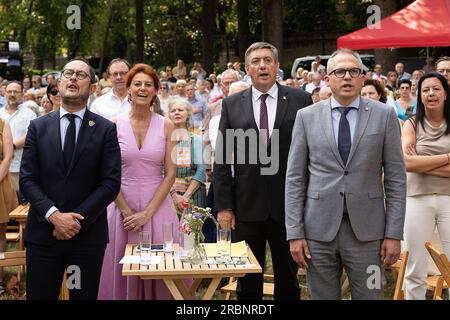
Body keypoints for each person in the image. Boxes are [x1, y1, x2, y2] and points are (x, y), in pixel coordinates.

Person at [285, 48, 406, 300]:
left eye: (354, 71)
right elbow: (295, 179)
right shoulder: (306, 117)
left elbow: (395, 179)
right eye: (340, 71)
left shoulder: (384, 116)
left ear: (363, 78)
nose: (347, 77)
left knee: (371, 295)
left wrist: (393, 234)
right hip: (318, 232)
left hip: (369, 234)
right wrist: (295, 232)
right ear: (328, 79)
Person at [214, 42, 313, 300]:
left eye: (268, 60)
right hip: (247, 207)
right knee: (247, 284)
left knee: (288, 282)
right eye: (256, 61)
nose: (262, 65)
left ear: (277, 66)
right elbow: (223, 158)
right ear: (247, 69)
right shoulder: (232, 104)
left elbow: (313, 155)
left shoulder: (301, 100)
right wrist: (224, 206)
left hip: (289, 208)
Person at [19, 58, 121, 300]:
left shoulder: (105, 129)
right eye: (68, 73)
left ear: (93, 88)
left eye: (81, 75)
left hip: (86, 238)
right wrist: (54, 216)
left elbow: (110, 183)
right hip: (43, 236)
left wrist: (75, 222)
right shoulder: (38, 127)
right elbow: (27, 179)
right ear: (60, 82)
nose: (73, 77)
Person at [97, 63, 178, 300]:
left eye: (148, 85)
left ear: (155, 90)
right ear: (129, 88)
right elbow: (107, 173)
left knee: (161, 269)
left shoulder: (167, 124)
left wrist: (147, 213)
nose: (143, 89)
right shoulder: (112, 124)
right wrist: (125, 210)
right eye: (137, 84)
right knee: (119, 266)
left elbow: (170, 174)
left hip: (158, 206)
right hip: (121, 205)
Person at [401, 72, 450, 300]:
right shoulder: (411, 124)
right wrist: (448, 157)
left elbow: (415, 163)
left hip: (449, 200)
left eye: (436, 89)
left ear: (445, 93)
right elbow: (406, 162)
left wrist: (423, 162)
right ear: (419, 96)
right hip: (416, 199)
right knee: (415, 267)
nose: (431, 93)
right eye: (426, 90)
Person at [167, 98, 206, 215]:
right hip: (168, 195)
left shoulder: (197, 139)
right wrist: (174, 195)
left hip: (194, 195)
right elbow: (161, 170)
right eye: (173, 111)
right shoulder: (164, 141)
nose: (177, 112)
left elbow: (201, 170)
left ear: (188, 114)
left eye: (180, 110)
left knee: (193, 232)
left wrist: (185, 196)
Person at [0, 81, 36, 191]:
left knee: (19, 202)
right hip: (1, 167)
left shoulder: (29, 114)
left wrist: (11, 147)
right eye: (9, 91)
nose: (12, 94)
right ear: (4, 93)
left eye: (15, 92)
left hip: (20, 167)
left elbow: (30, 135)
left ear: (21, 94)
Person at [0, 118, 18, 293]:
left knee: (0, 232)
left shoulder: (2, 123)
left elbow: (8, 155)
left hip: (0, 181)